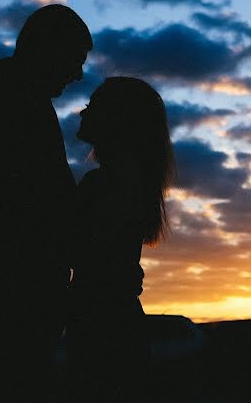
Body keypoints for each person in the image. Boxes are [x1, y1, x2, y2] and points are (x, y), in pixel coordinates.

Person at [0, 4, 92, 401]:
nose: (78, 74)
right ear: (48, 49)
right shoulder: (15, 100)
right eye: (75, 60)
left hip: (8, 280)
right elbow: (34, 201)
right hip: (12, 286)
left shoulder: (15, 96)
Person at [69, 77, 175, 400]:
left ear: (117, 120)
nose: (82, 113)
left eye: (93, 106)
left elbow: (77, 247)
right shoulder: (131, 181)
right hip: (115, 321)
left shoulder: (107, 184)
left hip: (102, 326)